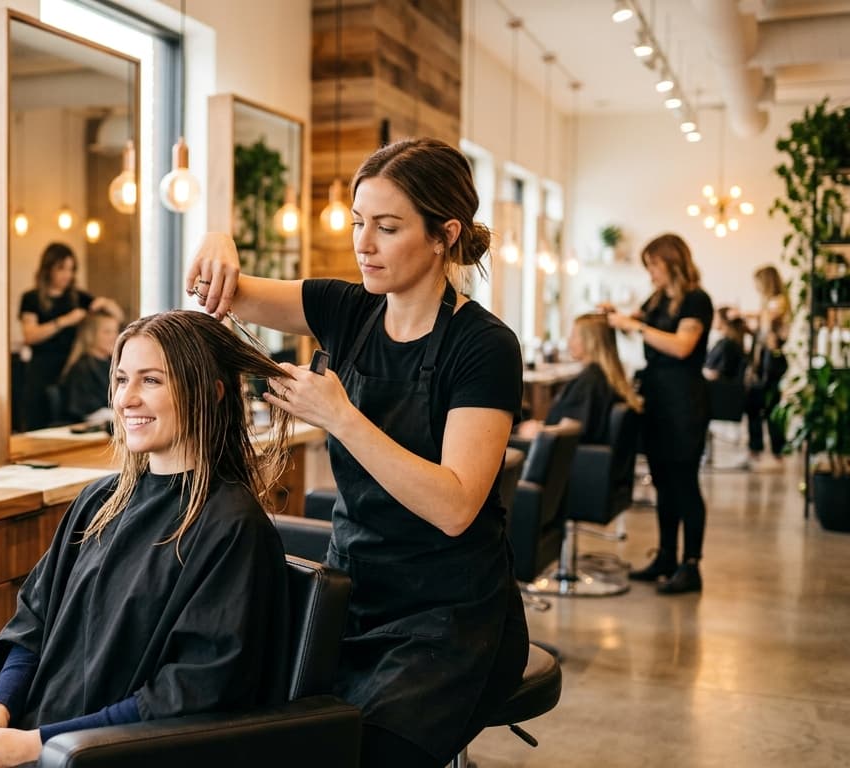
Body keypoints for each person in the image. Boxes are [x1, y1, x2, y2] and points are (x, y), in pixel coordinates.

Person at [187, 137, 527, 768]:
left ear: (443, 235)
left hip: (447, 617)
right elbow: (220, 289)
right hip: (351, 591)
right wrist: (216, 238)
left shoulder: (483, 347)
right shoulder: (346, 310)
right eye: (357, 223)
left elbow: (453, 505)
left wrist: (340, 417)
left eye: (388, 227)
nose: (363, 244)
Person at [0, 310, 294, 768]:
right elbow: (32, 625)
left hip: (101, 752)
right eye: (120, 379)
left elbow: (191, 693)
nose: (126, 399)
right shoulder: (100, 503)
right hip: (20, 729)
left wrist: (37, 744)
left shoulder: (232, 527)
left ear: (211, 394)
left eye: (151, 381)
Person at [605, 233, 713, 595]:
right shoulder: (659, 299)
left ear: (671, 262)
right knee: (663, 482)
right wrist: (616, 317)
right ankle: (667, 556)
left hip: (684, 403)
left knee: (684, 484)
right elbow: (639, 321)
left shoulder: (697, 301)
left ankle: (691, 565)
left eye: (653, 265)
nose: (650, 273)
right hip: (656, 401)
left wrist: (634, 326)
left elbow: (682, 346)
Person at [18, 243, 123, 429]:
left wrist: (105, 303)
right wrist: (65, 320)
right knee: (38, 423)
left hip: (70, 365)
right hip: (41, 371)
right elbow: (30, 336)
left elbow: (116, 314)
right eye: (62, 268)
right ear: (48, 269)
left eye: (71, 269)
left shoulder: (77, 297)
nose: (67, 274)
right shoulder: (31, 299)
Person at [517, 313, 643, 445]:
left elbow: (572, 430)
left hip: (570, 457)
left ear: (591, 341)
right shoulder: (604, 377)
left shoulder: (590, 381)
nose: (569, 340)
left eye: (574, 335)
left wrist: (539, 430)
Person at [748, 265, 791, 467]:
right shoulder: (767, 306)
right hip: (764, 360)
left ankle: (777, 451)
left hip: (773, 361)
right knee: (755, 404)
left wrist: (744, 314)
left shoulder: (779, 302)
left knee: (770, 406)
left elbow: (769, 319)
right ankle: (757, 449)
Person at [57, 310, 120, 423]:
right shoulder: (82, 369)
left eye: (115, 331)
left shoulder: (114, 365)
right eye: (107, 332)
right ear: (90, 334)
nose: (114, 337)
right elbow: (86, 411)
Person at [746, 314, 789, 468]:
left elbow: (779, 368)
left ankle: (777, 450)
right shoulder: (758, 340)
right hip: (757, 386)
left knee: (773, 419)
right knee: (755, 417)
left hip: (771, 387)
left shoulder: (777, 347)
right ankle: (755, 448)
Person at [702, 306, 749, 383]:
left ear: (723, 320)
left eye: (715, 317)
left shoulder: (727, 345)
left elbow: (721, 373)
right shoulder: (729, 342)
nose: (713, 320)